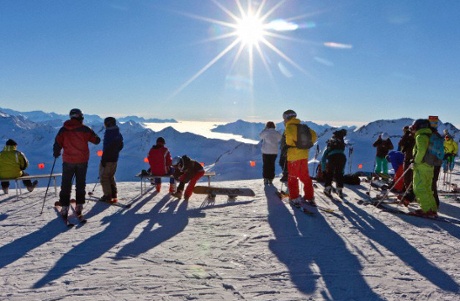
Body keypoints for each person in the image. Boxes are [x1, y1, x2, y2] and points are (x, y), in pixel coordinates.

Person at [53, 108, 101, 219]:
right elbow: (96, 140)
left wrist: (56, 153)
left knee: (66, 184)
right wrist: (93, 133)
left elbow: (57, 143)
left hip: (68, 161)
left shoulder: (63, 130)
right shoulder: (85, 129)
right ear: (80, 117)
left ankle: (64, 207)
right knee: (80, 183)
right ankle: (79, 205)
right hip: (82, 161)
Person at [282, 109, 317, 205]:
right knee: (304, 176)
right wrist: (305, 145)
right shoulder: (303, 127)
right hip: (304, 155)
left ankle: (294, 198)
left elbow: (289, 142)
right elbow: (314, 136)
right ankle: (309, 197)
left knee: (292, 177)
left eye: (284, 118)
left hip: (293, 156)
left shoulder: (289, 128)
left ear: (287, 118)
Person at [409, 119, 437, 217]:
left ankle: (426, 210)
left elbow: (421, 151)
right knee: (427, 188)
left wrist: (415, 162)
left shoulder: (420, 136)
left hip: (421, 166)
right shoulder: (430, 135)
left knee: (419, 188)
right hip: (430, 165)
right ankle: (432, 209)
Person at [99, 117, 124, 203]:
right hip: (114, 158)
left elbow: (107, 148)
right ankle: (114, 194)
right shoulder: (117, 132)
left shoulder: (109, 133)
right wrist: (115, 152)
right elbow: (121, 145)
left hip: (108, 159)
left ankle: (107, 195)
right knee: (110, 176)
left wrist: (104, 159)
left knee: (104, 177)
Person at [321, 129, 347, 198]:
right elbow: (341, 153)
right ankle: (339, 190)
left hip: (332, 158)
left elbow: (323, 158)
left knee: (330, 172)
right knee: (339, 173)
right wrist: (342, 171)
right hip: (342, 157)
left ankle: (327, 189)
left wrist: (323, 170)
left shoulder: (330, 144)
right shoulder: (341, 144)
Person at [259, 121, 282, 186]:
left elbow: (260, 135)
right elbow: (280, 138)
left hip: (266, 151)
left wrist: (265, 129)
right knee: (272, 165)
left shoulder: (265, 132)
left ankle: (266, 178)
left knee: (266, 165)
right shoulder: (276, 133)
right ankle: (270, 179)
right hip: (274, 152)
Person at [398, 125, 415, 192]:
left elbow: (401, 143)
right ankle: (409, 191)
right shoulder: (408, 137)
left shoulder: (415, 137)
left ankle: (410, 191)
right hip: (408, 158)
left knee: (409, 176)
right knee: (407, 177)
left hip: (411, 159)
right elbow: (401, 143)